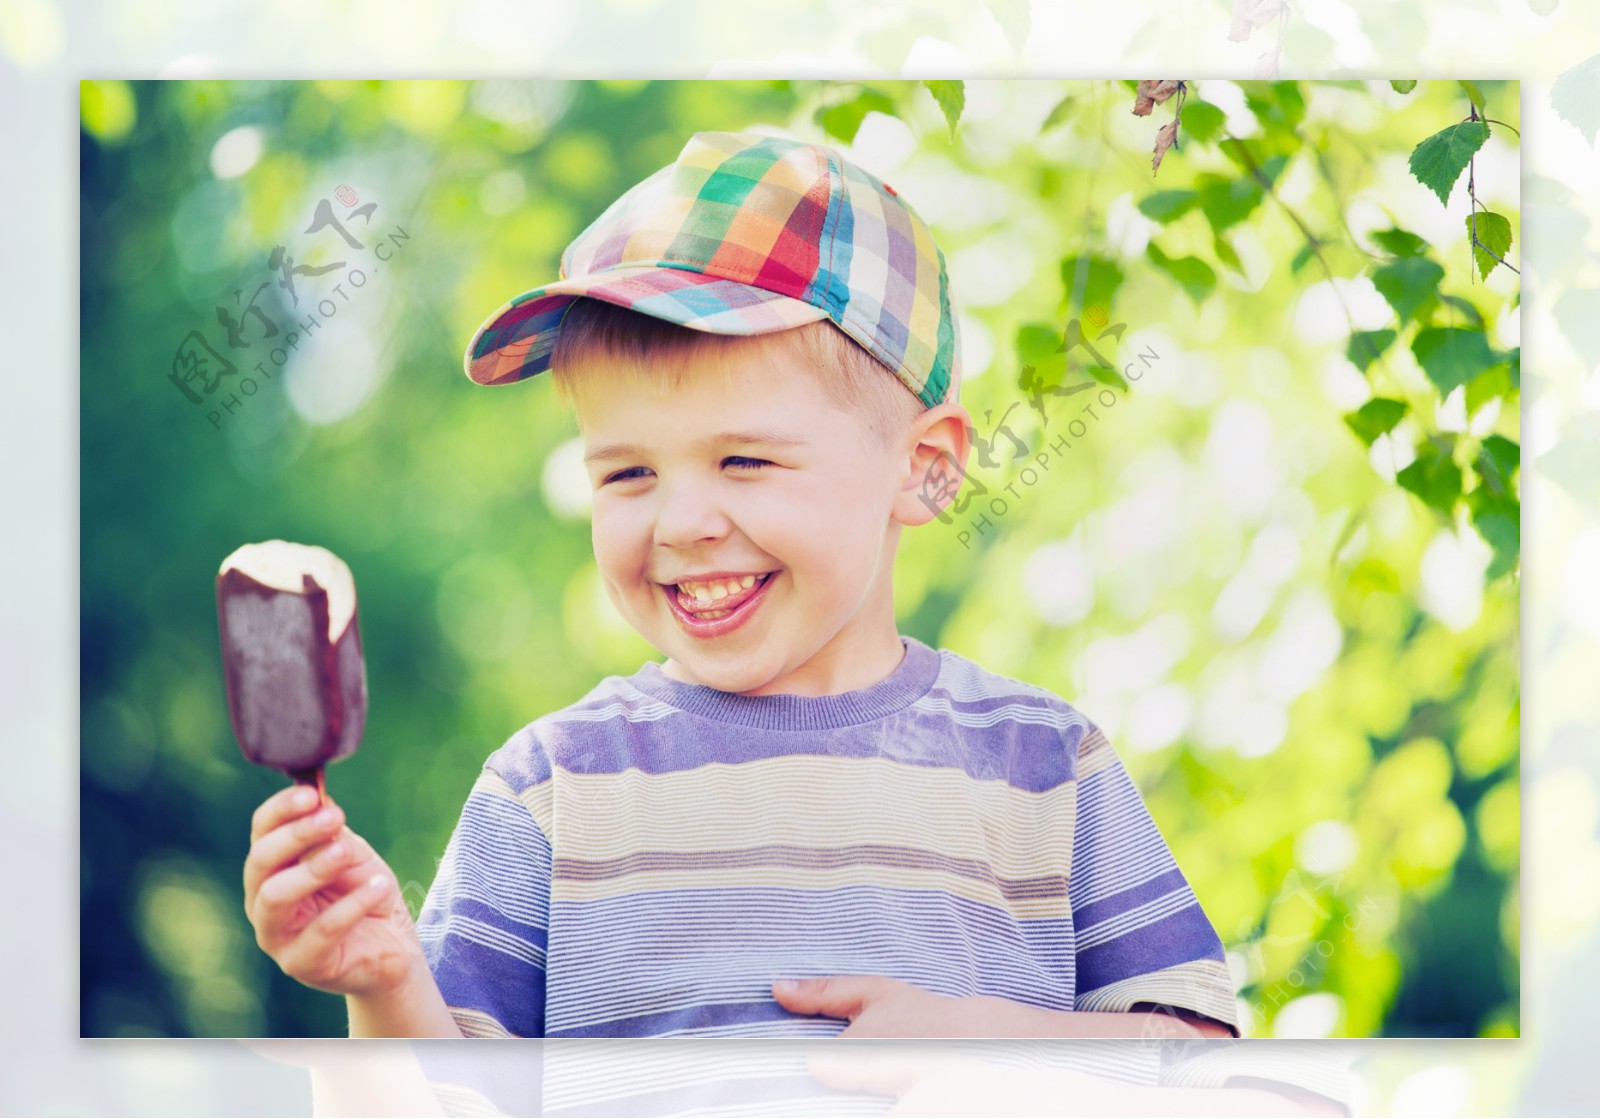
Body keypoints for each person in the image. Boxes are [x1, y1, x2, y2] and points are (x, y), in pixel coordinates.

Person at [242, 128, 1346, 1113]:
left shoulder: (1044, 769)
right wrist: (384, 983)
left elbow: (1203, 1070)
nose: (680, 522)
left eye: (744, 461)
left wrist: (991, 1044)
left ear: (921, 471)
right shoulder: (553, 790)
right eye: (625, 474)